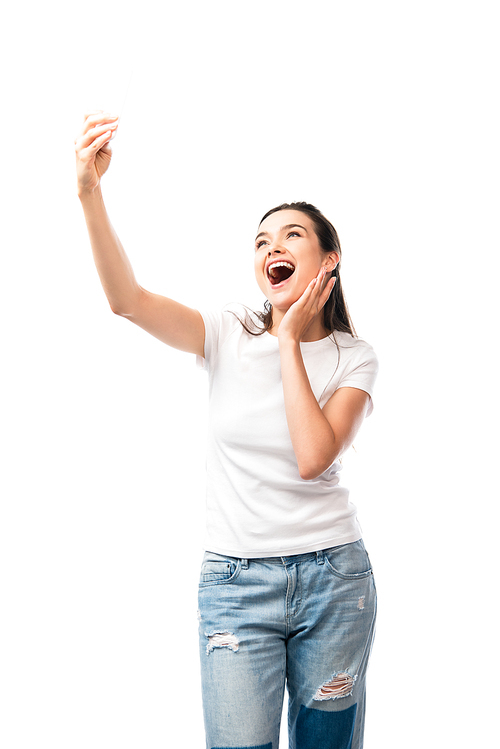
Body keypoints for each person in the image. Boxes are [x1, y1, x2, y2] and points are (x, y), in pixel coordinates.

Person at [75, 111, 379, 749]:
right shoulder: (224, 333)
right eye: (262, 240)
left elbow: (313, 458)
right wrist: (90, 195)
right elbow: (127, 301)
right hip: (237, 586)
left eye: (292, 236)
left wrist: (290, 338)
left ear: (330, 259)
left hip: (334, 580)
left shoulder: (355, 357)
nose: (272, 247)